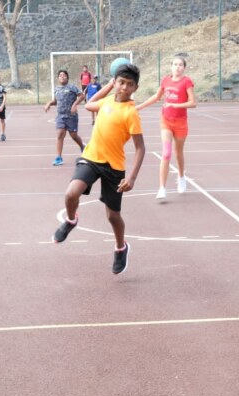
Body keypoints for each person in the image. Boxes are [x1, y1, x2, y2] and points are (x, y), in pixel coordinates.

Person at [52, 62, 145, 275]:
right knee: (71, 193)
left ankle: (121, 248)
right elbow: (88, 104)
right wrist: (110, 86)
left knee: (113, 216)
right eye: (121, 82)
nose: (124, 87)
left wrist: (132, 178)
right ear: (115, 83)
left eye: (129, 84)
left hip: (114, 167)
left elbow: (140, 148)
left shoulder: (131, 113)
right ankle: (71, 219)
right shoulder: (107, 100)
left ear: (135, 88)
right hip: (91, 158)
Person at [136, 55, 196, 200]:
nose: (177, 67)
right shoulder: (166, 80)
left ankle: (181, 177)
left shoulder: (187, 81)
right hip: (166, 121)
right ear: (171, 66)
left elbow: (193, 103)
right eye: (175, 64)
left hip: (181, 122)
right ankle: (162, 188)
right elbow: (156, 97)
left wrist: (175, 105)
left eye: (180, 65)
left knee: (178, 153)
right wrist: (139, 107)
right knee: (166, 153)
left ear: (184, 68)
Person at [44, 69, 85, 166]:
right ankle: (59, 157)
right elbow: (55, 101)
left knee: (74, 135)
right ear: (58, 78)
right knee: (60, 135)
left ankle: (82, 146)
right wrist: (49, 103)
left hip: (71, 116)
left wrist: (75, 105)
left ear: (67, 77)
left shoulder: (72, 87)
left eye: (64, 75)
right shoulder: (56, 89)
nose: (62, 77)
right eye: (60, 75)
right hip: (60, 116)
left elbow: (82, 96)